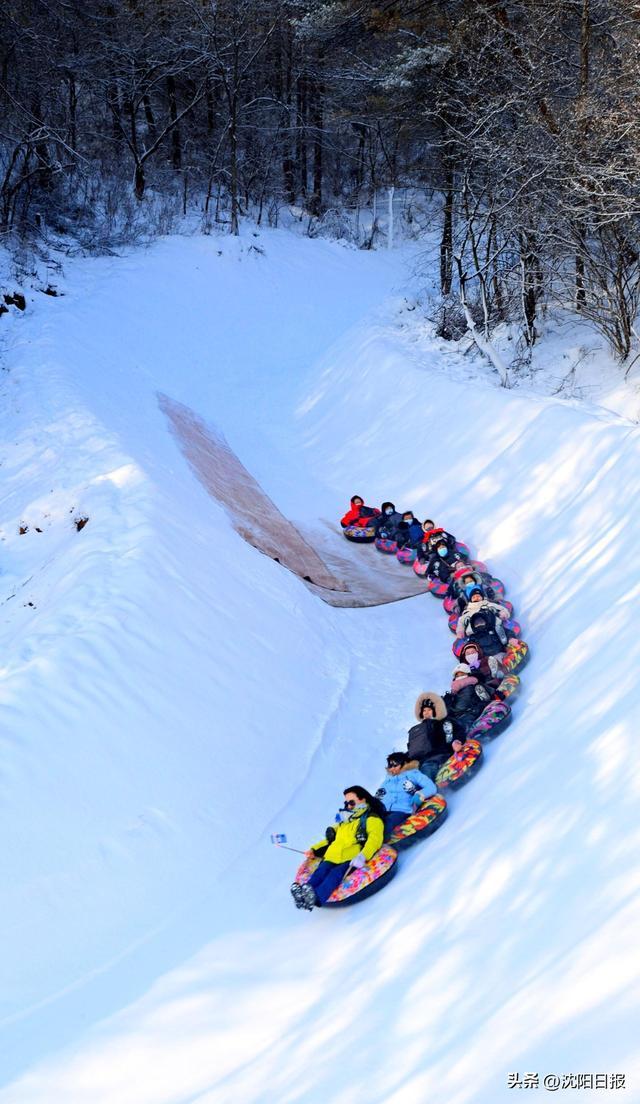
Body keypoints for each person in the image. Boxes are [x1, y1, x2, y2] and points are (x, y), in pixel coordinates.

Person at [290, 786, 386, 910]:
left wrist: (363, 855)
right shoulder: (345, 820)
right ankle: (304, 894)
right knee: (320, 872)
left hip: (349, 858)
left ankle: (316, 897)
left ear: (363, 800)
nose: (349, 806)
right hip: (332, 855)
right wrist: (314, 849)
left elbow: (374, 840)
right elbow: (330, 840)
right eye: (346, 803)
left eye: (352, 802)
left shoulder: (371, 819)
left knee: (335, 874)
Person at [375, 751, 437, 837]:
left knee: (388, 823)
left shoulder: (413, 774)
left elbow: (431, 787)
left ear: (404, 764)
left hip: (402, 811)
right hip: (384, 811)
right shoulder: (387, 781)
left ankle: (380, 845)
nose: (392, 768)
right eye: (390, 766)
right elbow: (378, 797)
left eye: (395, 765)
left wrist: (420, 795)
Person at [405, 692, 465, 780]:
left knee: (427, 768)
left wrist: (456, 741)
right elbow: (412, 749)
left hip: (439, 755)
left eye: (429, 710)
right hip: (419, 760)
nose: (426, 713)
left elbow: (458, 731)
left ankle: (426, 791)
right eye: (424, 711)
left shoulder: (444, 722)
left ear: (436, 710)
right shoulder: (418, 730)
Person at [443, 665, 494, 733]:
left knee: (466, 719)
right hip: (464, 710)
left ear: (467, 673)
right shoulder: (453, 693)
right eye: (457, 675)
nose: (459, 677)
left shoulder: (471, 685)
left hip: (469, 709)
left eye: (462, 674)